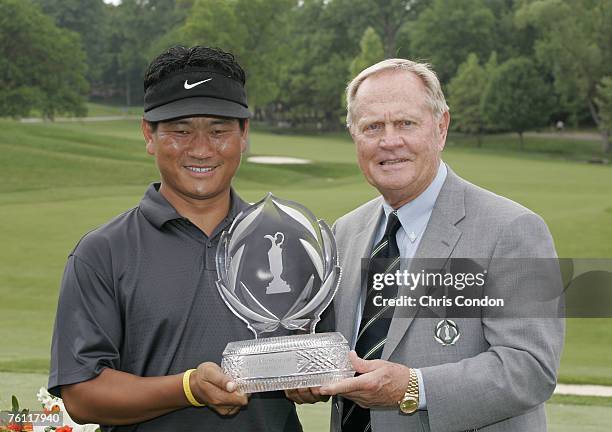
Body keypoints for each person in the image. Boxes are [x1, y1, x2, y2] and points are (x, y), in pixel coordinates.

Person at [287, 59, 564, 431]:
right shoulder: (346, 232)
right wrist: (303, 367)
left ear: (441, 127)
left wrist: (413, 388)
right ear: (355, 136)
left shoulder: (513, 230)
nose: (389, 141)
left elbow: (530, 369)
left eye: (405, 123)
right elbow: (335, 344)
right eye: (373, 127)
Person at [48, 46, 302, 432]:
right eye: (180, 131)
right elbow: (82, 395)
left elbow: (320, 350)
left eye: (218, 131)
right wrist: (188, 388)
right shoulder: (102, 253)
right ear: (148, 134)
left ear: (244, 134)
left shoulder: (288, 241)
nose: (200, 149)